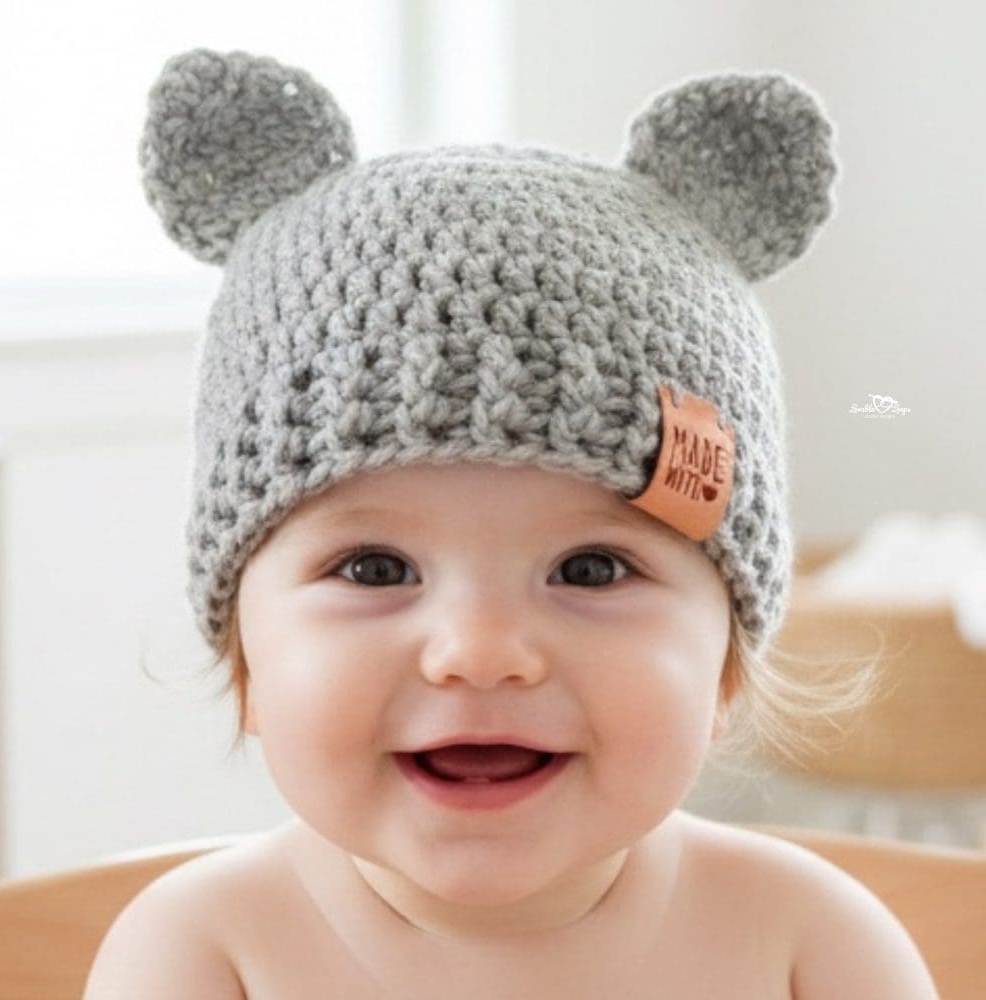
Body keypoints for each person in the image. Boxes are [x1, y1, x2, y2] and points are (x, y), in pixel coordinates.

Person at [83, 48, 939, 999]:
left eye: (592, 570)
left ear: (727, 666)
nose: (480, 653)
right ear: (244, 662)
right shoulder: (203, 954)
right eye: (373, 568)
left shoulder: (809, 945)